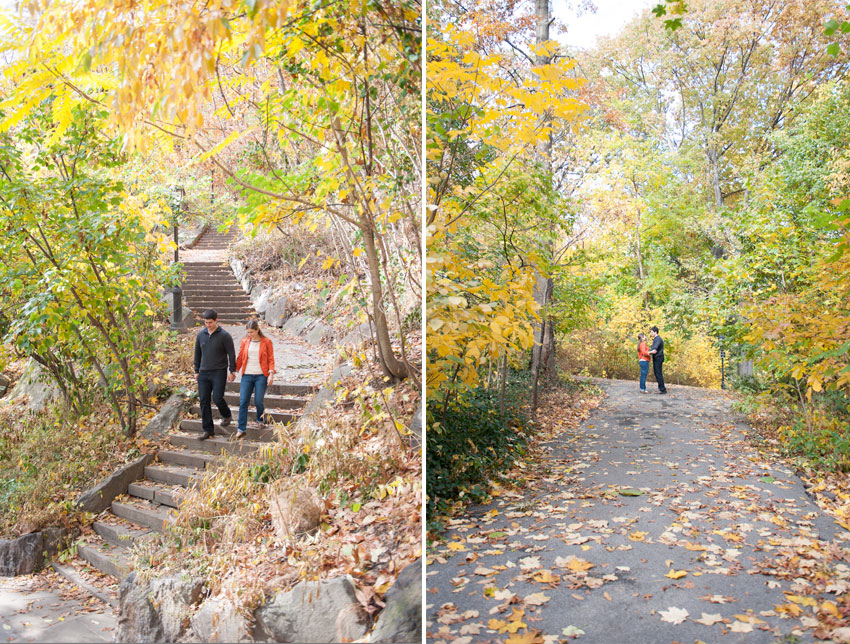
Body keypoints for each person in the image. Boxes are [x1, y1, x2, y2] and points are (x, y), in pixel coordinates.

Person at [193, 309, 236, 440]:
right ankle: (208, 430)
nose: (208, 325)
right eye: (206, 322)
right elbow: (197, 353)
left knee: (217, 398)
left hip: (219, 371)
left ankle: (227, 414)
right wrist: (196, 370)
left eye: (210, 322)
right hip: (204, 373)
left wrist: (232, 370)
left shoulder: (225, 336)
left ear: (216, 320)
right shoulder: (201, 335)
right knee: (204, 401)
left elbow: (231, 354)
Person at [234, 319, 276, 438]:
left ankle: (260, 419)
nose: (250, 334)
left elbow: (271, 359)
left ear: (257, 330)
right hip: (247, 375)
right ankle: (241, 428)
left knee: (258, 401)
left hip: (261, 376)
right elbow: (241, 357)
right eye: (248, 332)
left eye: (252, 332)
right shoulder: (245, 341)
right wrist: (234, 371)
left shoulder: (266, 342)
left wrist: (271, 373)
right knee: (243, 402)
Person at [648, 325, 667, 394]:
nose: (651, 333)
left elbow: (654, 351)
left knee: (658, 373)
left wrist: (646, 353)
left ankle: (662, 389)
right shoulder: (657, 339)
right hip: (658, 358)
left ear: (655, 332)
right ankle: (661, 388)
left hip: (658, 358)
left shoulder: (657, 339)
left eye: (651, 332)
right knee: (657, 373)